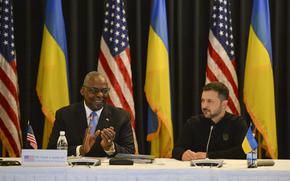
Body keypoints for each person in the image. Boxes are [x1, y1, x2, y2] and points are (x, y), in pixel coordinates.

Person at [47, 71, 135, 156]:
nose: (100, 95)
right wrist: (81, 150)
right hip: (75, 170)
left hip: (107, 171)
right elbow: (52, 150)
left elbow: (129, 152)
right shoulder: (65, 115)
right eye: (94, 90)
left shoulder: (121, 117)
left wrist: (110, 147)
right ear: (82, 91)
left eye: (104, 91)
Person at [172, 82, 248, 161]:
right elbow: (177, 149)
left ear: (224, 104)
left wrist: (208, 156)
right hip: (197, 172)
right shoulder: (193, 123)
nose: (204, 106)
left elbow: (244, 151)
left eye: (209, 101)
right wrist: (183, 154)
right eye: (202, 101)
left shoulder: (238, 123)